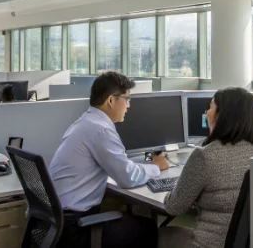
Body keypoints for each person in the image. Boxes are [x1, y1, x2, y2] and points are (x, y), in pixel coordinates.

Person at [49, 71, 169, 248]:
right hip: (74, 227)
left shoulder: (85, 122)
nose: (128, 106)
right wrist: (156, 166)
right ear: (111, 101)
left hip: (57, 222)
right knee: (148, 228)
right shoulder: (101, 130)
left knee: (127, 218)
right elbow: (127, 178)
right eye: (127, 99)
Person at [158, 87, 253, 248]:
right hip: (245, 243)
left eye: (210, 107)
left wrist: (177, 187)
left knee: (160, 233)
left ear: (222, 115)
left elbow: (174, 207)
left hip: (206, 244)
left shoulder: (205, 155)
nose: (207, 112)